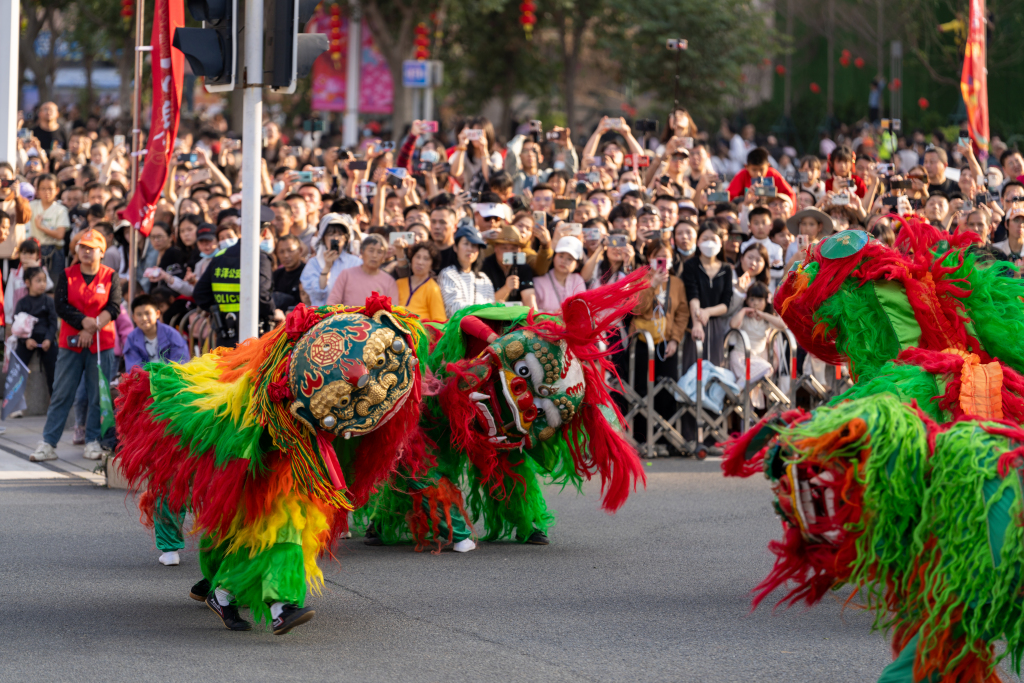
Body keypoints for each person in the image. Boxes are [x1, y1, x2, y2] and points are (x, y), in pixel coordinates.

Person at [29, 229, 120, 463]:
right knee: (62, 392)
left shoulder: (110, 276)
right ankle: (48, 442)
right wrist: (83, 322)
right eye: (82, 247)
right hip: (71, 343)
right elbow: (61, 305)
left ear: (102, 251)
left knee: (97, 394)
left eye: (91, 248)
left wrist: (93, 326)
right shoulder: (68, 274)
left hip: (101, 343)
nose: (86, 252)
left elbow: (114, 306)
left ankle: (92, 440)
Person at [122, 293, 191, 565]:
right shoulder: (131, 339)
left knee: (187, 478)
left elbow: (181, 370)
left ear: (158, 313)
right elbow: (133, 375)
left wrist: (155, 378)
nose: (143, 318)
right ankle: (170, 546)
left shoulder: (172, 335)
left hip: (179, 410)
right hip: (148, 415)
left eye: (147, 313)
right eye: (138, 314)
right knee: (163, 477)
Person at [193, 217, 274, 348]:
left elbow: (200, 294)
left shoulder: (219, 256)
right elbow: (261, 295)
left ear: (241, 230)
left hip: (224, 333)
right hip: (254, 337)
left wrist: (219, 309)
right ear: (264, 233)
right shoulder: (260, 257)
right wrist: (272, 313)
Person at [682, 223, 733, 367]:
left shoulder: (726, 268)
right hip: (695, 320)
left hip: (716, 325)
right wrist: (697, 323)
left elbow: (725, 303)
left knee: (715, 365)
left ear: (721, 243)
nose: (709, 243)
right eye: (705, 238)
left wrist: (708, 312)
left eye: (714, 239)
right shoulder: (691, 265)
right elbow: (693, 295)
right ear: (698, 242)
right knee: (693, 365)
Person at [728, 282, 786, 408]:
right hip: (740, 357)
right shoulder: (744, 316)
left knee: (764, 373)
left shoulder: (766, 320)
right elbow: (733, 324)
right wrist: (744, 310)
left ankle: (739, 386)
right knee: (763, 371)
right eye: (752, 299)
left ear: (766, 301)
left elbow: (783, 325)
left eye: (760, 300)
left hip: (756, 361)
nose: (755, 303)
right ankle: (739, 386)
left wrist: (764, 314)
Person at [299, 213, 362, 307]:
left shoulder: (355, 262)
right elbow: (317, 295)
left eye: (340, 234)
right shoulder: (314, 263)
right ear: (323, 238)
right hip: (322, 316)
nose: (336, 238)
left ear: (346, 238)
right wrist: (327, 267)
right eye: (331, 234)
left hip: (349, 316)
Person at [13, 266, 58, 397]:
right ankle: (15, 402)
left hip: (46, 339)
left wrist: (49, 339)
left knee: (54, 369)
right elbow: (18, 325)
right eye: (38, 280)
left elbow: (53, 323)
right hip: (27, 339)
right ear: (27, 282)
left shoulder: (49, 301)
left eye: (44, 280)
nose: (42, 284)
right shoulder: (22, 302)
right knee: (18, 367)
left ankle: (54, 401)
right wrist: (26, 340)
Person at [326, 234, 398, 306]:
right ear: (362, 252)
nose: (374, 255)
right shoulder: (346, 274)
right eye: (371, 250)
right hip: (347, 317)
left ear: (384, 256)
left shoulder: (389, 281)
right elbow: (333, 302)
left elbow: (393, 309)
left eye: (379, 252)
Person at [438, 224, 494, 317]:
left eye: (474, 245)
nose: (470, 249)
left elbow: (492, 307)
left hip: (483, 328)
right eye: (466, 243)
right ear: (455, 247)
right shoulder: (448, 274)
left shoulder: (484, 278)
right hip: (457, 329)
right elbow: (455, 308)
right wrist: (484, 310)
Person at [479, 221, 537, 308]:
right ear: (495, 248)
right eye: (504, 248)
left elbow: (529, 297)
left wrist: (535, 317)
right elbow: (484, 303)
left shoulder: (524, 267)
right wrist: (506, 288)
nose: (509, 252)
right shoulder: (484, 266)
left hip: (516, 317)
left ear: (519, 250)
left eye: (513, 248)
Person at [28, 174, 69, 285]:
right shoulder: (31, 206)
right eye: (43, 188)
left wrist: (40, 227)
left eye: (50, 189)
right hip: (35, 250)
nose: (47, 192)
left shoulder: (61, 210)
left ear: (57, 190)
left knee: (54, 285)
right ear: (37, 190)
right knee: (34, 284)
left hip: (55, 252)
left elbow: (60, 234)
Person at [533, 236, 587, 312]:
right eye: (561, 256)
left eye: (569, 258)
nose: (563, 261)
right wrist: (552, 314)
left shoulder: (577, 280)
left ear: (577, 264)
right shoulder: (538, 282)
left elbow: (582, 309)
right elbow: (532, 313)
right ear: (554, 256)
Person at [395, 241, 446, 321]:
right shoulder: (399, 283)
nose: (420, 262)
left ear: (432, 265)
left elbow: (439, 321)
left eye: (426, 259)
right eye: (417, 257)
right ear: (411, 259)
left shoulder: (433, 288)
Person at [272, 235, 305, 313]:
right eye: (281, 252)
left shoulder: (307, 273)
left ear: (300, 251)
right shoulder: (276, 275)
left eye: (290, 250)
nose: (286, 255)